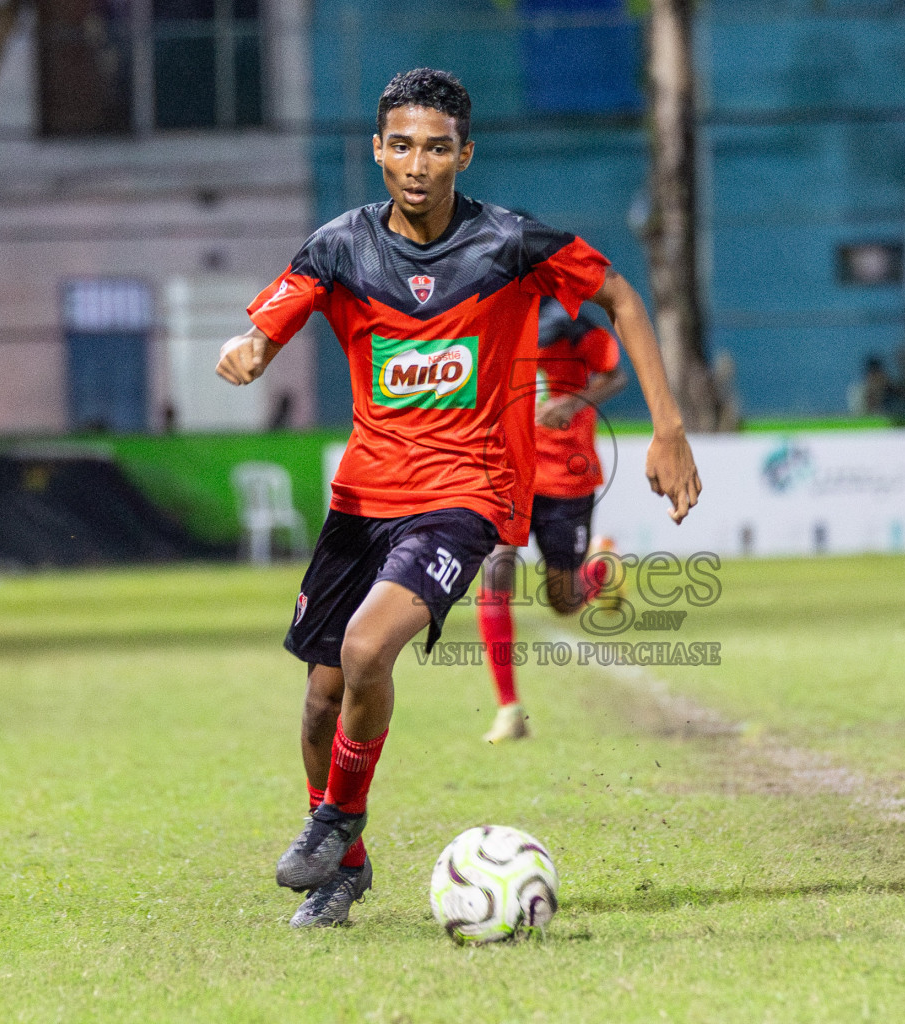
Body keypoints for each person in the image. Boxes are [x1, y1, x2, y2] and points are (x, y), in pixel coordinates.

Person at [214, 68, 701, 929]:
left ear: (463, 154)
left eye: (437, 148)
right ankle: (347, 868)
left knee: (368, 654)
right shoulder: (340, 246)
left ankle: (337, 818)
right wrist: (251, 349)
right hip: (364, 499)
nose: (417, 163)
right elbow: (271, 322)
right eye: (401, 144)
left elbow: (621, 296)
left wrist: (666, 428)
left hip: (465, 496)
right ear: (378, 149)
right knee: (322, 697)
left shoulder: (508, 243)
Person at [477, 296, 627, 744]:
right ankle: (509, 708)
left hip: (567, 478)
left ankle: (601, 570)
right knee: (495, 571)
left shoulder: (583, 330)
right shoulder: (493, 316)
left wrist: (574, 402)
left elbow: (616, 377)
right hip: (510, 473)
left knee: (563, 602)